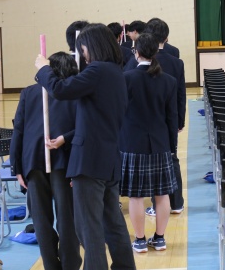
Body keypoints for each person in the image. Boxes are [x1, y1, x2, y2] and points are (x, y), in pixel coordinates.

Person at [34, 23, 136, 270]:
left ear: (92, 46)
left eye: (83, 49)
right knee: (113, 223)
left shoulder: (97, 71)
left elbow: (60, 89)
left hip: (89, 160)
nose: (82, 54)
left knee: (88, 228)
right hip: (108, 158)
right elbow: (95, 120)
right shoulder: (116, 72)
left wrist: (44, 69)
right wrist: (66, 138)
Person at [11, 52, 82, 270]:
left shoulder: (30, 92)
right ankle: (68, 264)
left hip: (37, 161)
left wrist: (17, 166)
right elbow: (20, 129)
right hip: (58, 162)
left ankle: (53, 265)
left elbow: (18, 131)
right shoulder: (73, 94)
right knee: (64, 217)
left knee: (43, 218)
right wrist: (17, 167)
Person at [120, 33, 178, 252]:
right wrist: (171, 147)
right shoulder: (169, 81)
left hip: (132, 144)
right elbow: (172, 119)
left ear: (136, 53)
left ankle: (140, 240)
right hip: (160, 144)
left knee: (136, 196)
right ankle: (160, 238)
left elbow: (118, 113)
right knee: (162, 194)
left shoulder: (126, 78)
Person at [127, 18, 186, 217]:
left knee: (147, 169)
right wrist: (179, 121)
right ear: (166, 37)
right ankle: (176, 203)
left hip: (140, 124)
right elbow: (181, 95)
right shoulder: (176, 61)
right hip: (167, 121)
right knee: (171, 160)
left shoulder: (135, 64)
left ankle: (157, 205)